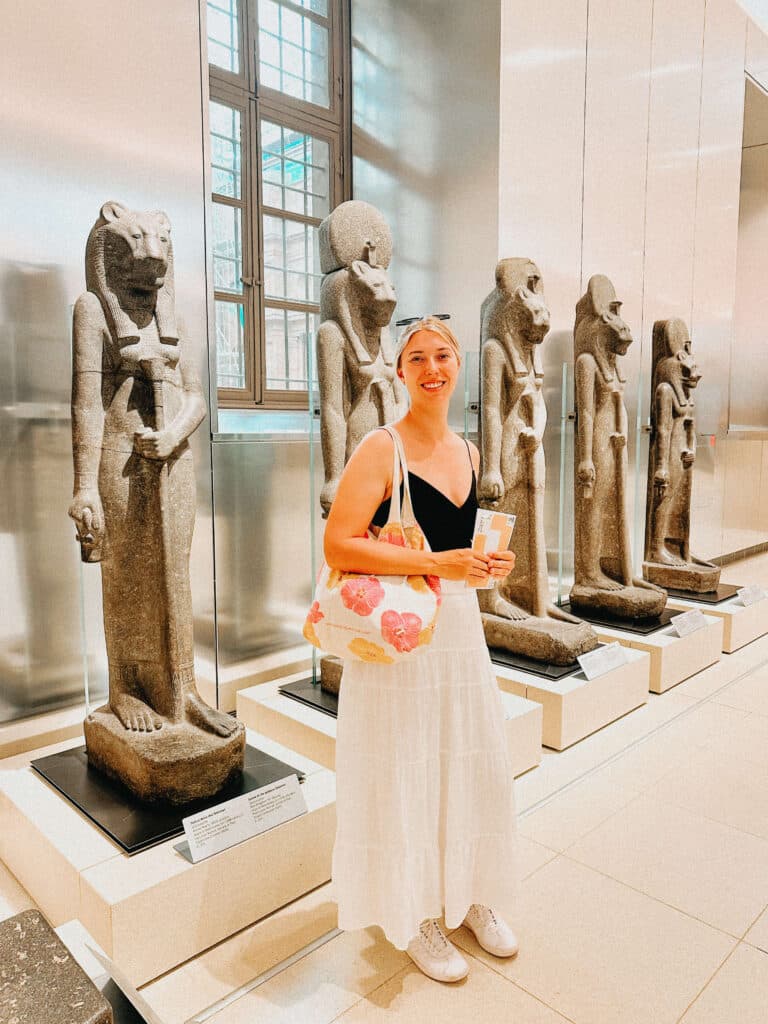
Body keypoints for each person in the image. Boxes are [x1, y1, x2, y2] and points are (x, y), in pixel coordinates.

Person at [324, 315, 519, 983]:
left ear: (457, 364)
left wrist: (489, 566)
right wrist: (440, 563)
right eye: (417, 358)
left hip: (461, 629)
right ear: (399, 372)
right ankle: (417, 914)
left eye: (442, 356)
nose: (432, 369)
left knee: (469, 756)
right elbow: (339, 544)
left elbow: (462, 555)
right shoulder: (382, 447)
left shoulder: (466, 451)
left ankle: (467, 894)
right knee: (408, 761)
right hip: (403, 633)